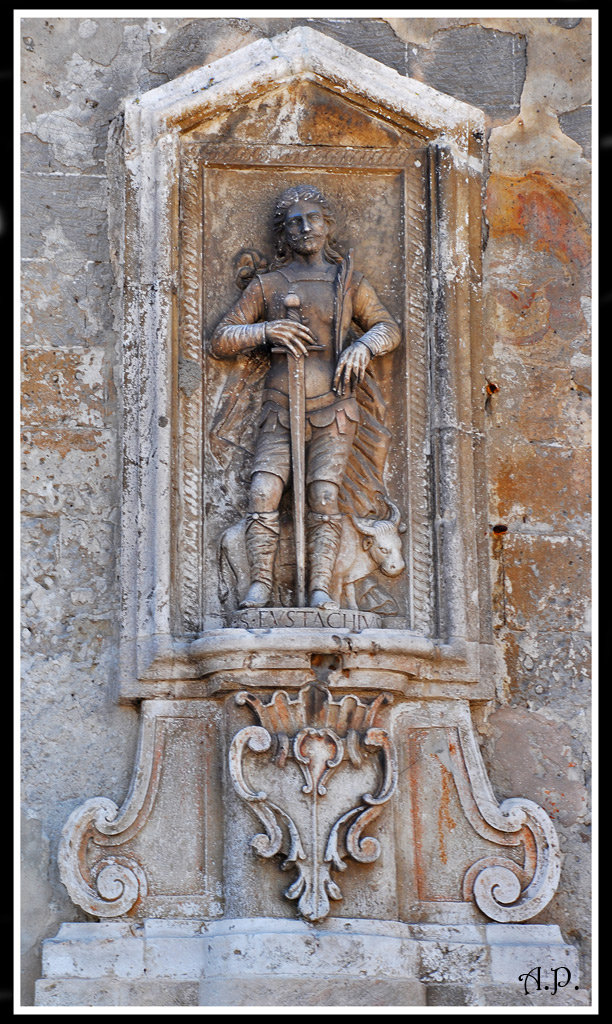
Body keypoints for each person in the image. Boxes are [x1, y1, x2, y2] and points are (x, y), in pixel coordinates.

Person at [210, 184, 400, 610]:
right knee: (262, 492)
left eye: (312, 218)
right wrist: (264, 330)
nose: (304, 227)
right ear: (283, 234)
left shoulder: (347, 282)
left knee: (324, 496)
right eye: (294, 222)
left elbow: (388, 327)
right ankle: (259, 581)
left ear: (327, 225)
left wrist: (363, 345)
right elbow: (221, 339)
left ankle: (320, 586)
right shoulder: (268, 285)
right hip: (281, 408)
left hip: (334, 410)